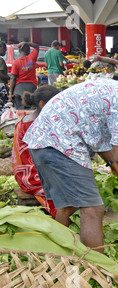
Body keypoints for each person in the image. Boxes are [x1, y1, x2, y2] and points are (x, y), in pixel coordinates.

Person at [23, 73, 118, 253]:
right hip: (60, 144)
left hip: (44, 141)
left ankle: (56, 256)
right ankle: (98, 270)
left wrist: (113, 166)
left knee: (68, 204)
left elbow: (97, 135)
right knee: (93, 209)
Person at [12, 84, 61, 217]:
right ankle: (62, 222)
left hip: (24, 174)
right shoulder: (36, 126)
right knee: (66, 194)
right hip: (32, 177)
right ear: (42, 104)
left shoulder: (26, 120)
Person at [9, 42, 40, 109]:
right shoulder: (32, 57)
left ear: (19, 51)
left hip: (19, 88)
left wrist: (11, 92)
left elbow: (13, 78)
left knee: (20, 111)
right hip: (31, 87)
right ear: (28, 51)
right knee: (31, 109)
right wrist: (26, 43)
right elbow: (36, 46)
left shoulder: (16, 62)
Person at [0, 42, 10, 113]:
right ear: (2, 48)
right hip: (1, 85)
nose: (5, 52)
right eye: (5, 50)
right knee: (3, 105)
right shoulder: (0, 60)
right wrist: (10, 77)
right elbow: (1, 74)